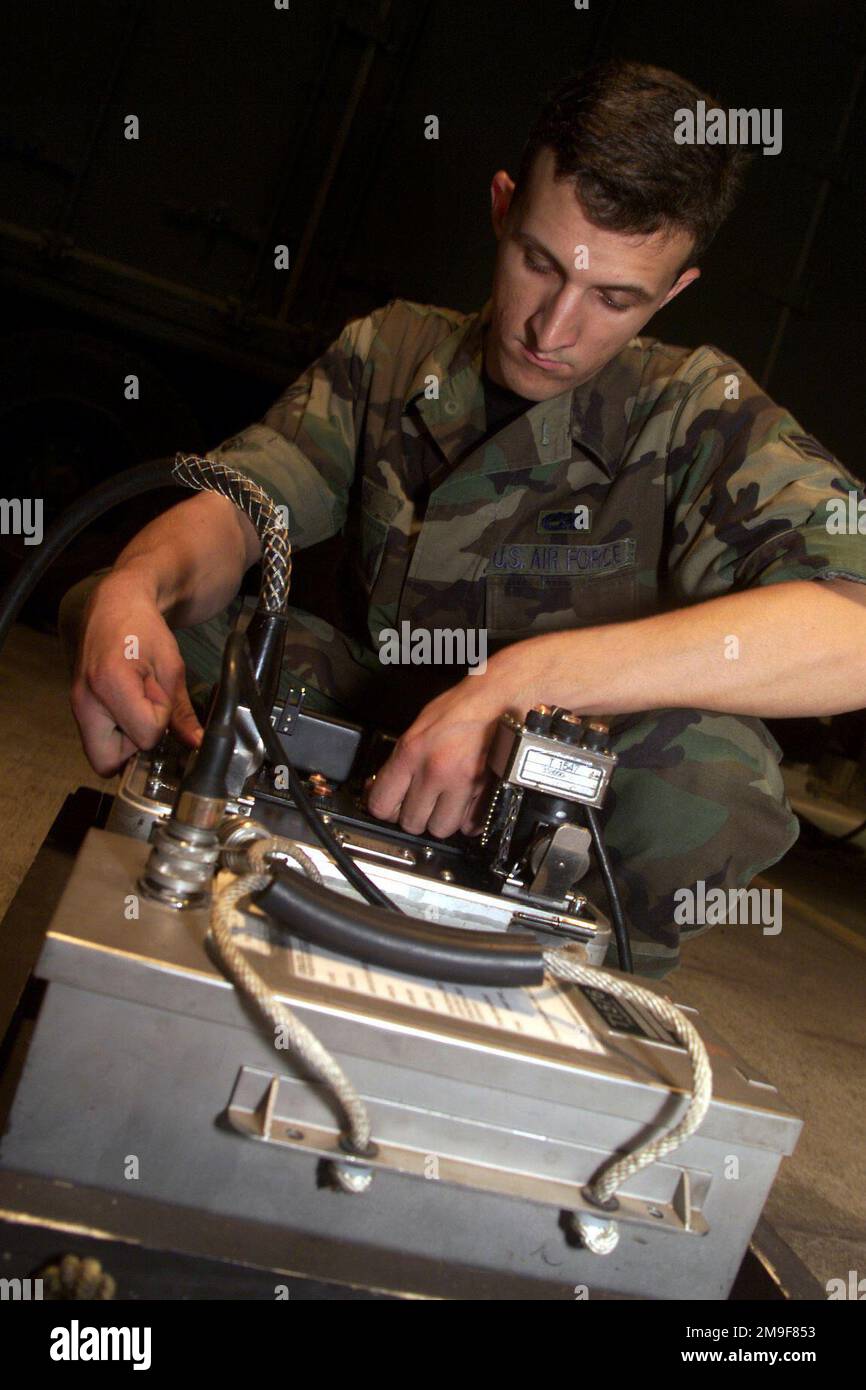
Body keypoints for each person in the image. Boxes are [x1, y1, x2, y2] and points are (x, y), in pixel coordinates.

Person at [62, 59, 866, 977]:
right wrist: (137, 583)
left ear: (674, 291)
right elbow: (246, 503)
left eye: (614, 299)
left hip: (548, 790)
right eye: (539, 262)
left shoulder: (697, 410)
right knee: (118, 615)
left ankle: (557, 978)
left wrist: (527, 683)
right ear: (502, 206)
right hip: (368, 717)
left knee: (716, 778)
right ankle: (209, 868)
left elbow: (857, 627)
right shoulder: (395, 350)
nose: (553, 329)